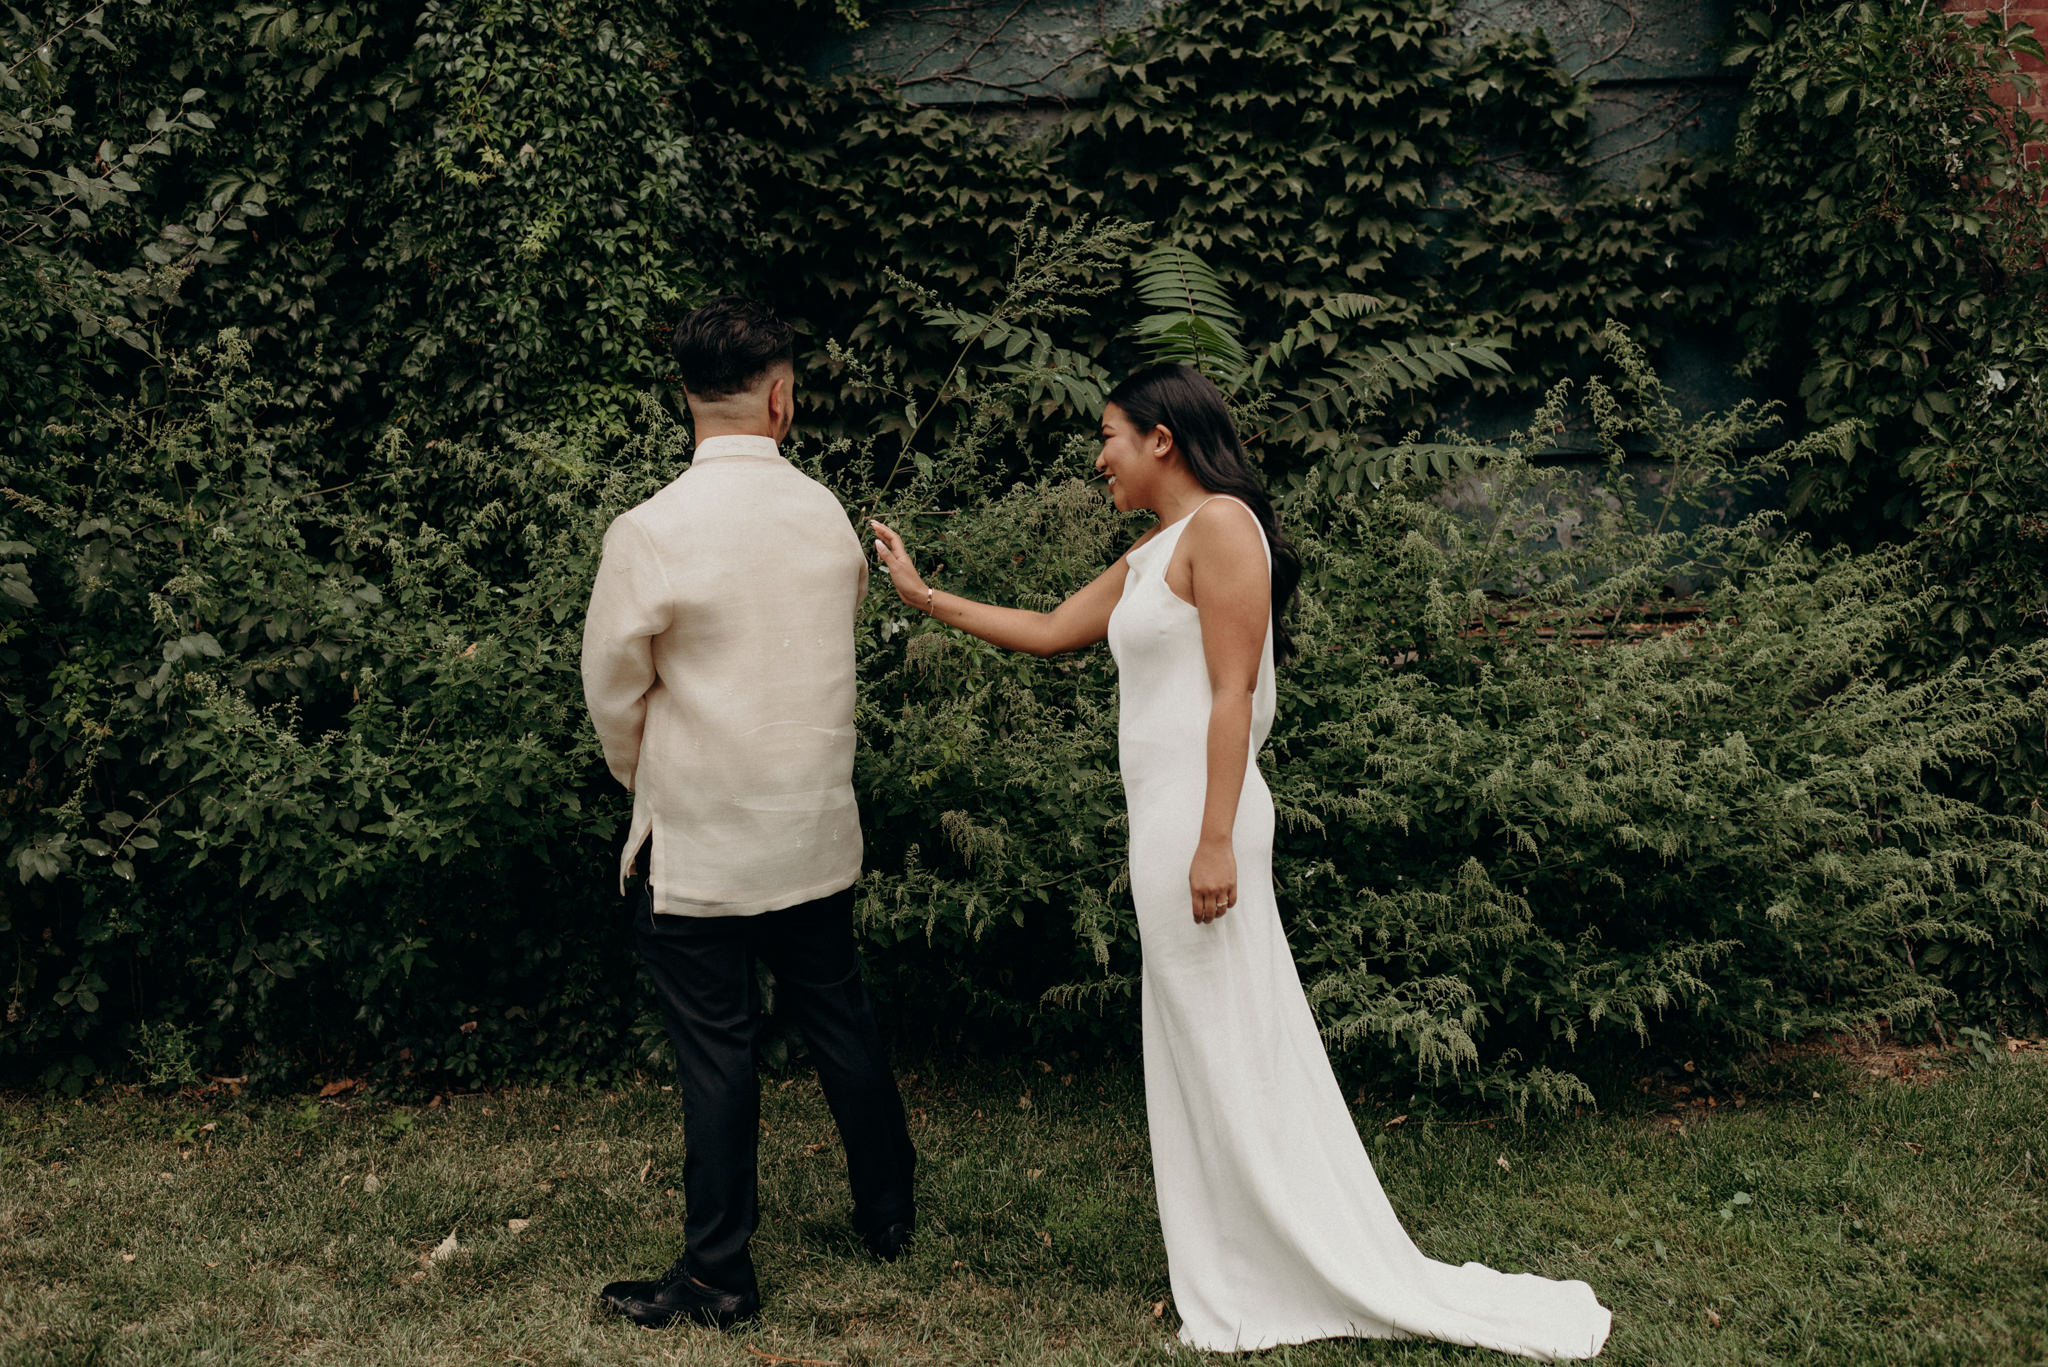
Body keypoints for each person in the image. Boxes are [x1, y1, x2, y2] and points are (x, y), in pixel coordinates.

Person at [868, 362, 1611, 1359]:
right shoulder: (1151, 552)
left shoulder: (1219, 527)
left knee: (1227, 1034)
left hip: (1200, 821)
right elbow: (1049, 632)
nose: (1098, 457)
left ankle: (1276, 1260)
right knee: (1197, 1035)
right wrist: (923, 597)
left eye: (1109, 436)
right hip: (1165, 821)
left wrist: (1215, 835)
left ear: (1160, 439)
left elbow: (1231, 691)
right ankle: (1231, 1253)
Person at [581, 296, 916, 1330]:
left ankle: (720, 1270)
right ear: (779, 398)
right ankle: (888, 1211)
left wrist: (653, 780)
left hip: (703, 842)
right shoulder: (822, 511)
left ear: (686, 401)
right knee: (839, 1018)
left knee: (717, 1051)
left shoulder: (649, 531)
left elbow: (610, 693)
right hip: (811, 826)